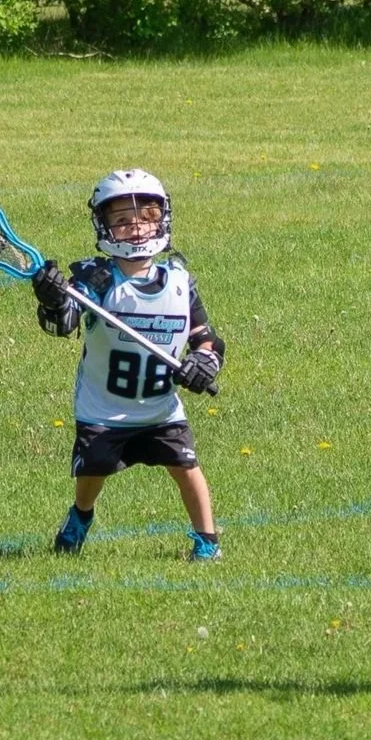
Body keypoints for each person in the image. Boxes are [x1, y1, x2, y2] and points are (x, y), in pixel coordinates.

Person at [33, 169, 226, 560]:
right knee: (92, 471)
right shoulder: (97, 278)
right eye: (122, 221)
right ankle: (81, 515)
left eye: (146, 218)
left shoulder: (178, 281)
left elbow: (206, 338)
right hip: (104, 407)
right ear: (105, 227)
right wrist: (53, 298)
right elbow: (64, 321)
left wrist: (203, 363)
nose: (135, 229)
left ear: (163, 220)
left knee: (186, 466)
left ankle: (208, 541)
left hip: (160, 408)